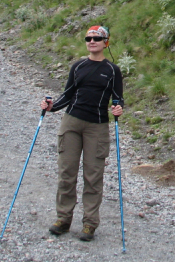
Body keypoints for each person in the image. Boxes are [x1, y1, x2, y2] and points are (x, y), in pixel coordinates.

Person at [39, 25, 123, 241]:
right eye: (88, 38)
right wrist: (51, 107)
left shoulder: (113, 70)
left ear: (106, 42)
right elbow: (68, 94)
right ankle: (63, 219)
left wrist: (118, 108)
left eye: (96, 38)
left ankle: (90, 223)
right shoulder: (78, 66)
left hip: (97, 126)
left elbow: (118, 98)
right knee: (66, 173)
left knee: (93, 176)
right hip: (71, 122)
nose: (91, 41)